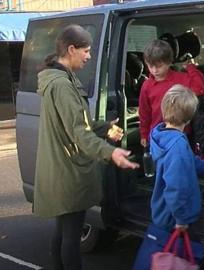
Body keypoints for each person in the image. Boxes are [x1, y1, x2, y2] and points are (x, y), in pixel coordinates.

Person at [34, 24, 139, 270]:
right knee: (70, 238)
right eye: (87, 51)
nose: (90, 56)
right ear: (71, 49)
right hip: (68, 172)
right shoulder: (62, 85)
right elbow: (79, 132)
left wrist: (104, 127)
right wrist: (110, 152)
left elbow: (80, 123)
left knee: (62, 232)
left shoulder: (60, 78)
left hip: (61, 169)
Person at [132, 85, 204, 269]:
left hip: (163, 212)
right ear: (189, 118)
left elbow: (191, 162)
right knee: (180, 253)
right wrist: (181, 219)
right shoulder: (178, 145)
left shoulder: (160, 133)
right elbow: (175, 188)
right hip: (174, 217)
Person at [138, 39, 204, 147]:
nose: (155, 70)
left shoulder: (181, 79)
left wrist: (191, 68)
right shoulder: (147, 85)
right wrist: (144, 134)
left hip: (181, 135)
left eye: (159, 66)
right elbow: (144, 113)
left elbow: (200, 89)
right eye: (150, 66)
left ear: (169, 62)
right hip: (157, 136)